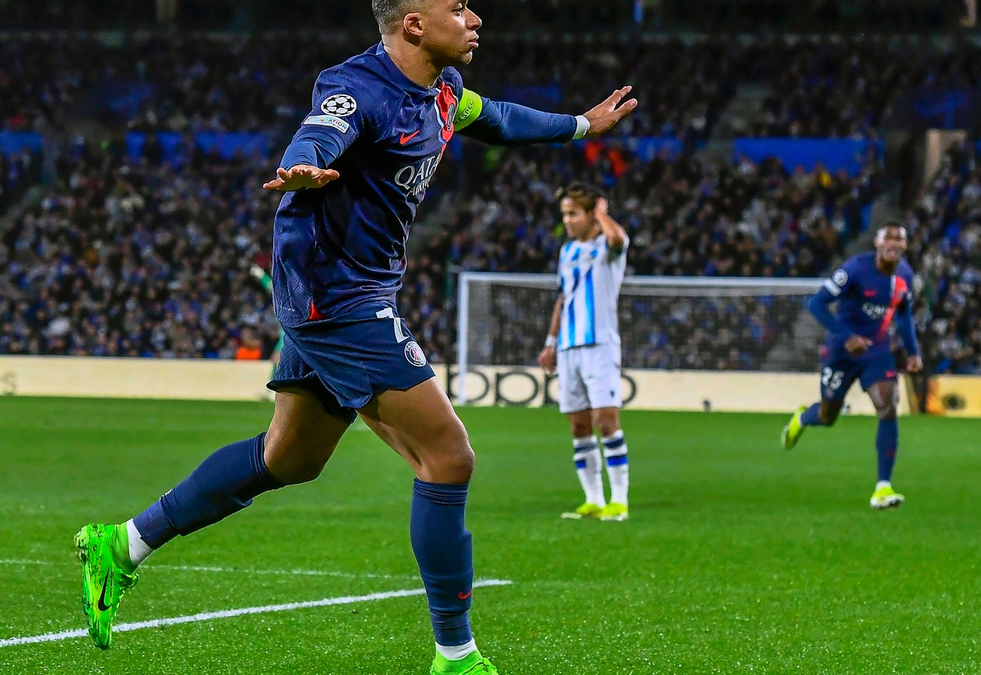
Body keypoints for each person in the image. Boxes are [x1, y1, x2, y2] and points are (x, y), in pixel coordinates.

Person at [73, 1, 637, 673]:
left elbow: (501, 119)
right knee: (449, 456)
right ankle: (456, 655)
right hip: (334, 291)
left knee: (289, 457)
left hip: (344, 289)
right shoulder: (356, 88)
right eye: (456, 6)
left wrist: (580, 125)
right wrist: (304, 167)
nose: (475, 16)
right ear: (414, 26)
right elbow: (320, 131)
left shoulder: (444, 92)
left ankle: (124, 543)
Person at [781, 224, 923, 510]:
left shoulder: (905, 276)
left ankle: (883, 487)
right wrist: (845, 337)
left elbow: (904, 315)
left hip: (877, 351)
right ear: (877, 243)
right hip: (841, 352)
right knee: (827, 415)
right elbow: (817, 303)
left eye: (900, 238)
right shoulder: (856, 269)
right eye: (889, 237)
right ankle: (802, 419)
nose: (894, 242)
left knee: (888, 405)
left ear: (906, 246)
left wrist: (913, 352)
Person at [537, 184, 630, 522]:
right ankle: (593, 499)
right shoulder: (567, 252)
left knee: (606, 421)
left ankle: (618, 500)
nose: (567, 220)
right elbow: (564, 298)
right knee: (579, 425)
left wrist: (602, 214)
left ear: (590, 214)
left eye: (573, 213)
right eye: (564, 214)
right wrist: (551, 342)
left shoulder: (608, 245)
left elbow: (618, 240)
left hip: (600, 344)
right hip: (569, 346)